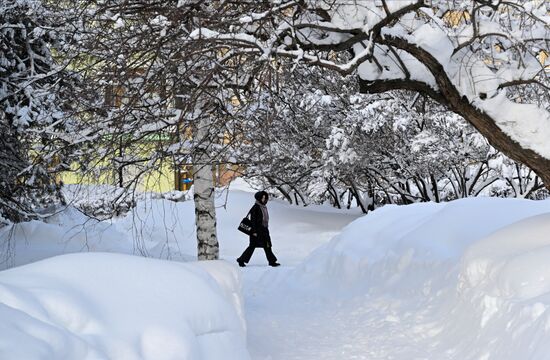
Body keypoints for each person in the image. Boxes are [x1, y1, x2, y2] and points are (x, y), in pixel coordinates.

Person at [237, 191, 280, 267]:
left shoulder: (263, 207)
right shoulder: (256, 207)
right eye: (262, 198)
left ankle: (272, 261)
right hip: (256, 230)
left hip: (264, 229)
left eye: (265, 197)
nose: (264, 199)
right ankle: (241, 260)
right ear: (259, 198)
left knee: (267, 245)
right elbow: (253, 220)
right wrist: (254, 231)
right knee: (252, 246)